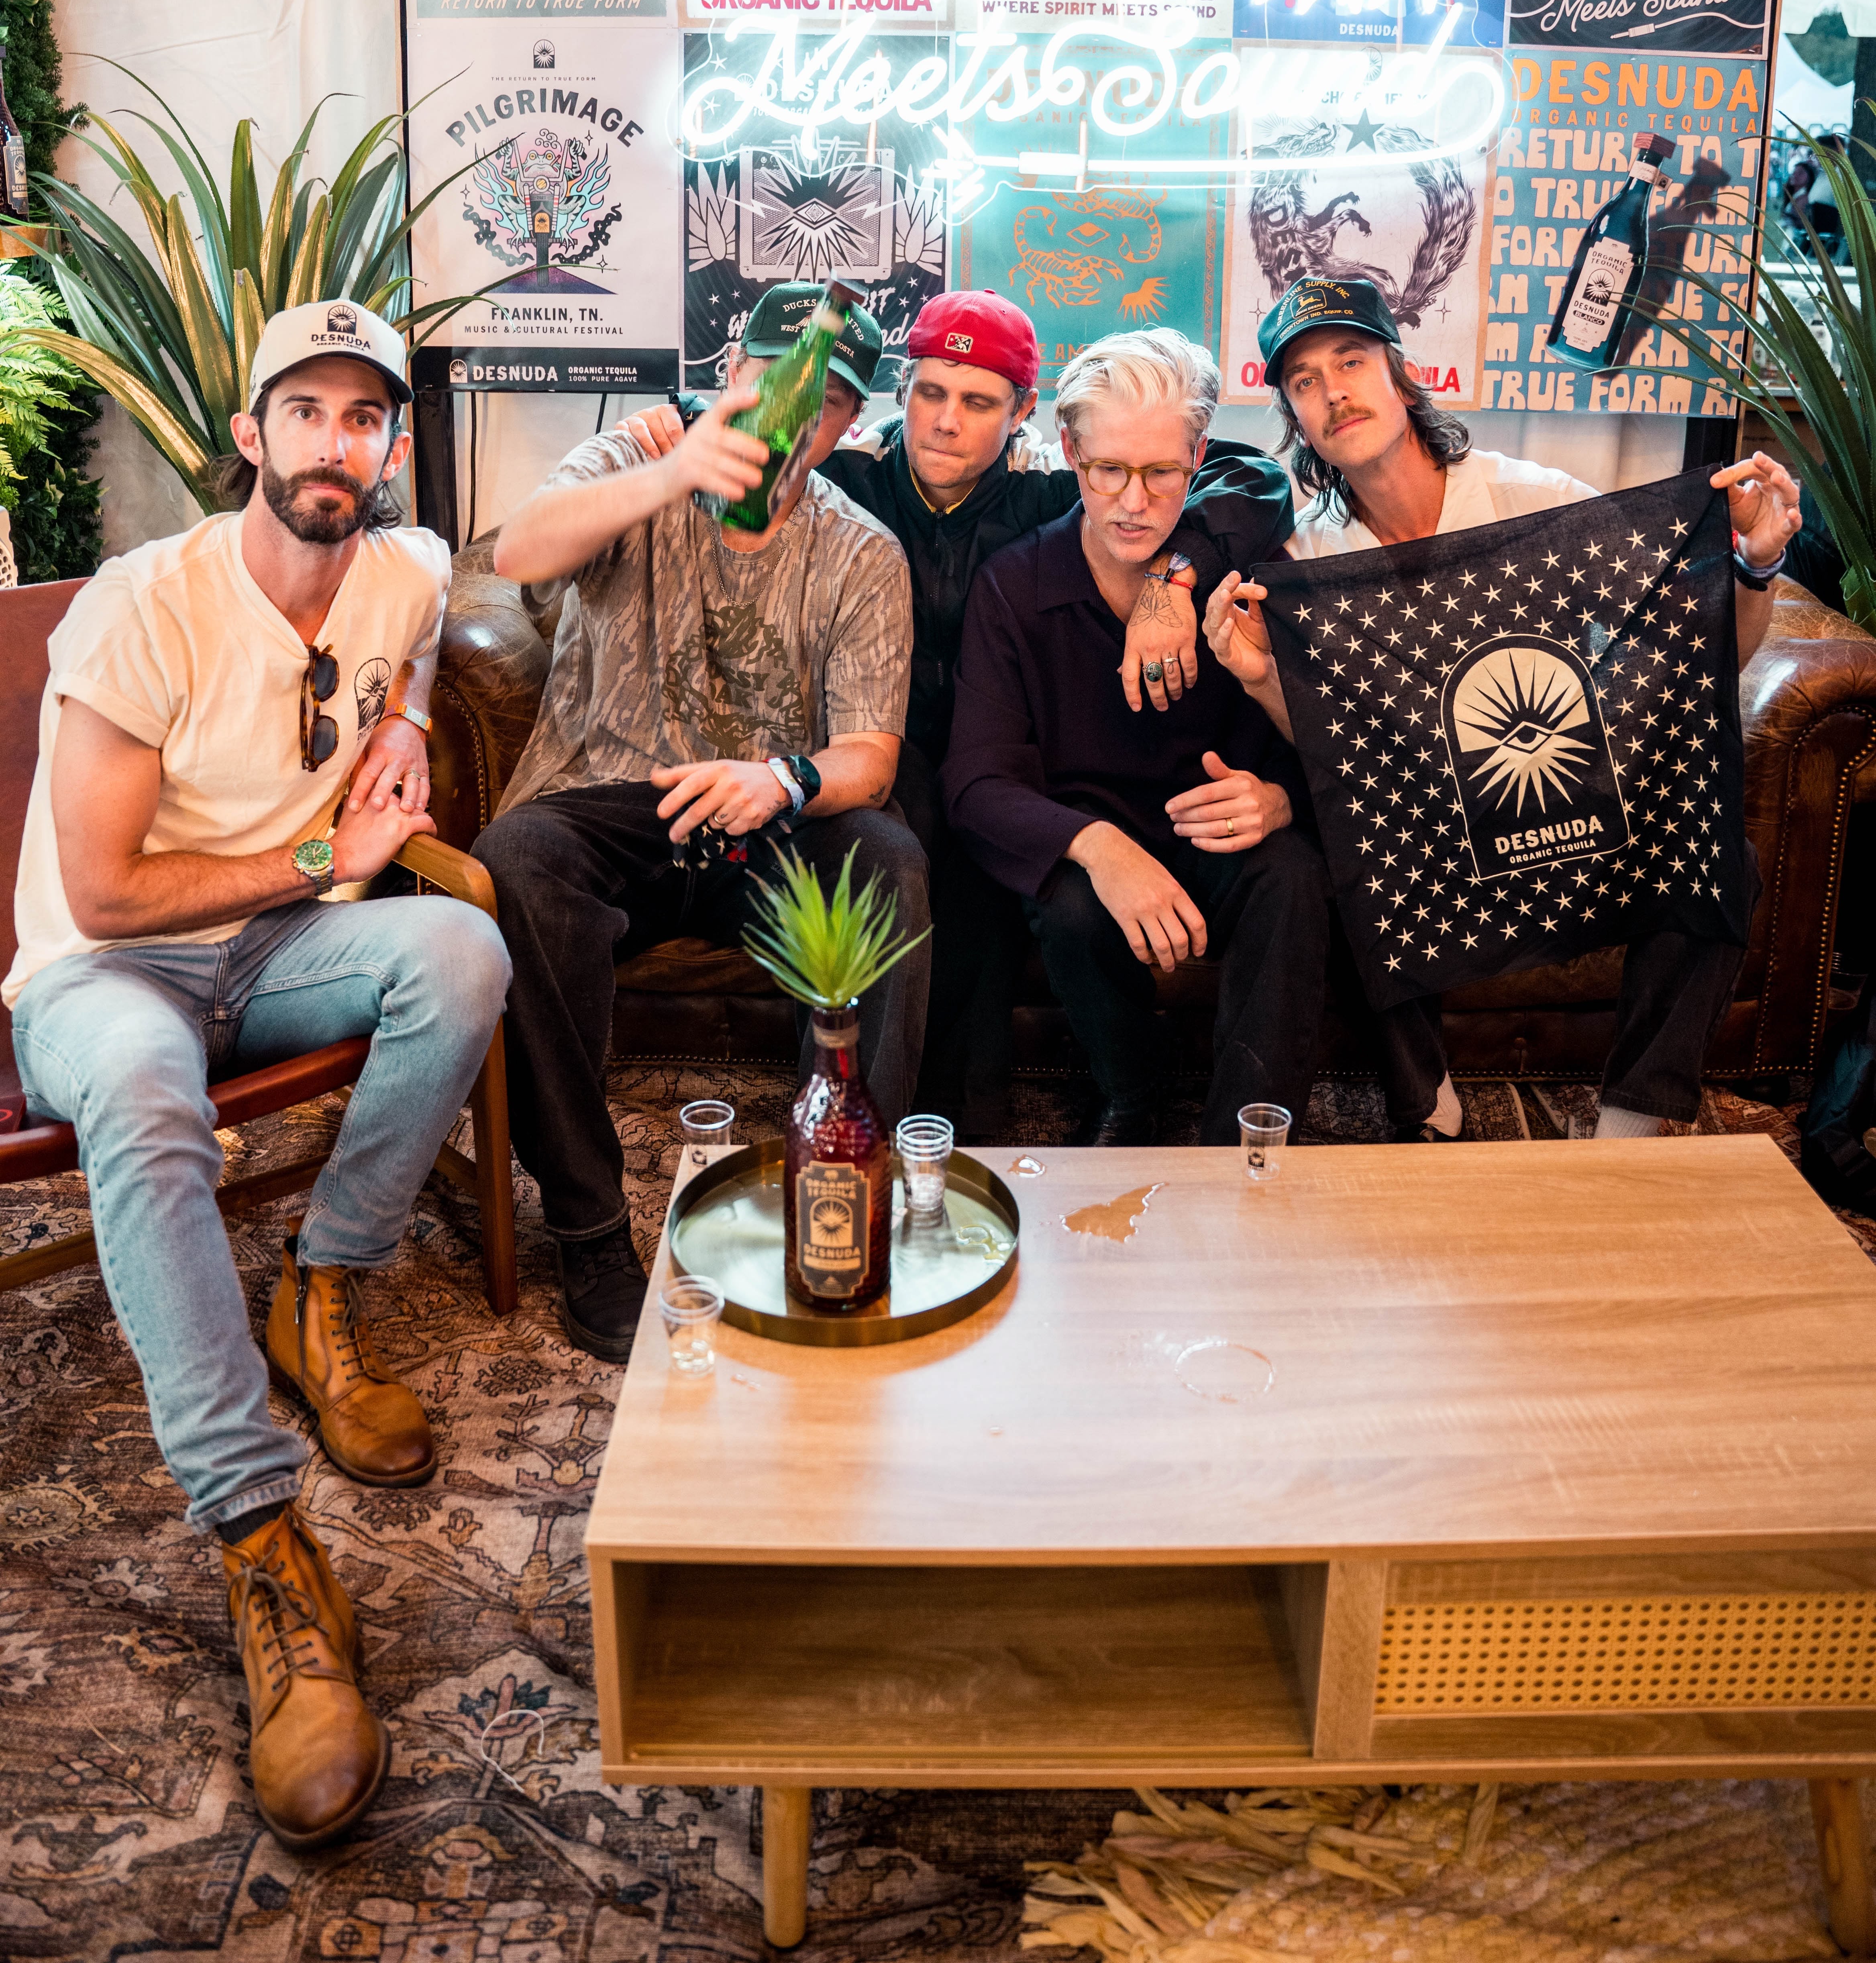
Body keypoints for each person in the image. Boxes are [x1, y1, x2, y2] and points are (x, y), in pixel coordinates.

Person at [3, 298, 512, 1853]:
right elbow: (104, 894)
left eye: (363, 416)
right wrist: (319, 851)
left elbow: (419, 630)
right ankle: (259, 1533)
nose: (333, 442)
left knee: (463, 952)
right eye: (306, 410)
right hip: (105, 974)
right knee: (144, 1095)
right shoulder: (144, 608)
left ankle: (322, 1293)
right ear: (251, 434)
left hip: (280, 950)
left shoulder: (404, 565)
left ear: (391, 446)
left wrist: (405, 726)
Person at [628, 285, 1295, 1136]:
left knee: (974, 824)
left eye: (978, 402)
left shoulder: (1047, 499)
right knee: (919, 814)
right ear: (900, 395)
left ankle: (966, 1122)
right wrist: (686, 419)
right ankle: (874, 1111)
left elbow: (1252, 477)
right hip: (860, 751)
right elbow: (758, 436)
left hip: (1003, 763)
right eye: (930, 395)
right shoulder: (846, 480)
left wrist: (1174, 575)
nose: (946, 422)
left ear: (1022, 415)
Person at [1203, 271, 1804, 1141]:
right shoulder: (1304, 560)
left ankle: (1631, 1125)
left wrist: (1752, 565)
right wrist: (1263, 679)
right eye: (1304, 381)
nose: (1332, 391)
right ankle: (1426, 1103)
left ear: (1404, 376)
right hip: (1431, 842)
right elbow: (1339, 757)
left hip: (1571, 817)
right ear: (1294, 419)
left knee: (1721, 852)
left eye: (1351, 360)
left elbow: (1695, 659)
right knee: (1336, 843)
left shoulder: (1535, 500)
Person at [473, 302, 927, 1363]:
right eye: (770, 382)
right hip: (613, 800)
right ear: (730, 371)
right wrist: (674, 471)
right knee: (517, 863)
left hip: (761, 814)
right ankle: (588, 1229)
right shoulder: (634, 462)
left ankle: (849, 1173)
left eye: (824, 404)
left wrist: (784, 778)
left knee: (890, 861)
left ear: (847, 425)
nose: (790, 417)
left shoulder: (861, 552)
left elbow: (869, 757)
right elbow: (520, 551)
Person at [940, 326, 1345, 1146]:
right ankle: (1130, 1097)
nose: (1133, 502)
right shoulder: (1013, 584)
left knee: (1295, 875)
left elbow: (1339, 749)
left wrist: (1278, 798)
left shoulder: (1248, 562)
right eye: (1108, 471)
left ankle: (1251, 1135)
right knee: (1068, 908)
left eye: (1161, 473)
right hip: (1089, 850)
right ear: (1069, 453)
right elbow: (975, 783)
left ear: (1196, 458)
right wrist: (1097, 848)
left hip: (1218, 838)